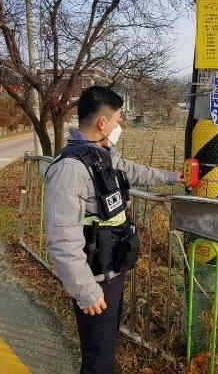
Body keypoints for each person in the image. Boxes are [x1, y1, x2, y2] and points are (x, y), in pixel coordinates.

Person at [44, 86, 181, 374]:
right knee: (98, 361)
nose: (119, 127)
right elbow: (62, 240)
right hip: (94, 280)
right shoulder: (70, 169)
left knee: (105, 351)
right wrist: (86, 291)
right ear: (102, 123)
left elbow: (133, 171)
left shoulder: (102, 154)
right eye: (118, 120)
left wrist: (172, 178)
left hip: (113, 270)